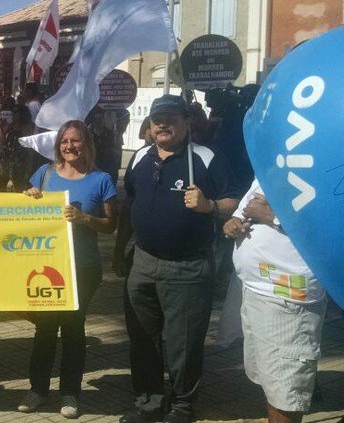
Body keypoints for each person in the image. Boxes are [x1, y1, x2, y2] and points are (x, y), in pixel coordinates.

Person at [119, 94, 238, 423]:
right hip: (142, 262)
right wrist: (120, 252)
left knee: (183, 343)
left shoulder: (206, 157)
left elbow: (233, 200)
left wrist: (209, 206)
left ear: (186, 122)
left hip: (188, 266)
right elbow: (130, 203)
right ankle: (148, 403)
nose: (163, 124)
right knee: (142, 338)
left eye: (171, 118)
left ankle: (183, 405)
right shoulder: (140, 157)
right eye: (157, 119)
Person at [19, 121, 119, 419]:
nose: (69, 146)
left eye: (75, 141)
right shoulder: (45, 174)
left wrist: (85, 219)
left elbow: (111, 225)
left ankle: (70, 394)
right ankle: (37, 390)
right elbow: (25, 213)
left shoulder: (101, 179)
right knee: (45, 328)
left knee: (73, 329)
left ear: (86, 143)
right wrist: (29, 197)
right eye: (64, 141)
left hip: (83, 267)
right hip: (48, 266)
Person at [223, 180, 326, 423]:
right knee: (272, 381)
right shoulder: (269, 168)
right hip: (255, 289)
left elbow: (331, 228)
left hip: (288, 298)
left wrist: (273, 217)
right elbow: (244, 210)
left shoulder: (326, 166)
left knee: (285, 394)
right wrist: (233, 222)